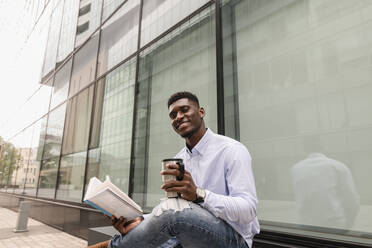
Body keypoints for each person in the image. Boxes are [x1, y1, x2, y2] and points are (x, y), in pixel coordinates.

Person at [89, 91, 259, 248]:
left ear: (201, 112)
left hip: (234, 240)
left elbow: (249, 210)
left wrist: (199, 195)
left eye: (184, 110)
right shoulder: (180, 159)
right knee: (154, 228)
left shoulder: (232, 150)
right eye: (173, 115)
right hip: (189, 233)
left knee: (174, 212)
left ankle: (111, 246)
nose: (178, 117)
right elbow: (174, 210)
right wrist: (138, 221)